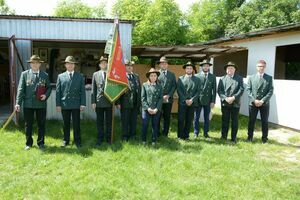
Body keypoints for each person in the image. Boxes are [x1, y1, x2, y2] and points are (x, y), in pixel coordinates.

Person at [15, 55, 51, 150]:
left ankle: (41, 143)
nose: (35, 64)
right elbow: (21, 89)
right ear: (30, 64)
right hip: (28, 104)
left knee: (41, 124)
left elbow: (49, 88)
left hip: (41, 104)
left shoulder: (45, 75)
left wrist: (46, 95)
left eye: (37, 63)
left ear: (40, 64)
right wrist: (18, 102)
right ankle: (28, 143)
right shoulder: (25, 74)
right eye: (33, 63)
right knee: (28, 124)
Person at [56, 56, 86, 148]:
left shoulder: (80, 76)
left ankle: (77, 141)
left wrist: (83, 103)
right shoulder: (60, 77)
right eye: (68, 63)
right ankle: (66, 140)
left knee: (76, 124)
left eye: (72, 64)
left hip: (76, 104)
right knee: (66, 124)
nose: (70, 65)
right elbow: (58, 92)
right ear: (65, 65)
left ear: (74, 65)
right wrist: (58, 104)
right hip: (65, 104)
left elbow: (82, 91)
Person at [247, 60, 274, 143]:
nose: (260, 68)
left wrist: (262, 101)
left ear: (265, 67)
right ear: (256, 67)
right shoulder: (251, 77)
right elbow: (248, 90)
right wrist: (254, 100)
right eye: (259, 66)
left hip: (264, 104)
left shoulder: (269, 78)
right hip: (253, 103)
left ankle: (264, 139)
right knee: (251, 121)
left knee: (264, 122)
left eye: (262, 66)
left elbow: (270, 91)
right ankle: (250, 137)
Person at [217, 62, 244, 143]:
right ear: (226, 70)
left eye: (232, 68)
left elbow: (241, 89)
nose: (230, 70)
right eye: (228, 68)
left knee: (234, 121)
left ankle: (233, 138)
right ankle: (223, 136)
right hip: (225, 103)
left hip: (235, 103)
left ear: (235, 70)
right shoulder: (222, 79)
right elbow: (219, 91)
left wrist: (233, 97)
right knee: (225, 120)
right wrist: (225, 98)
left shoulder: (239, 78)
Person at [117, 60, 141, 141]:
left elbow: (139, 89)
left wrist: (139, 103)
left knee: (133, 120)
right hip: (125, 103)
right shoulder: (121, 77)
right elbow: (118, 90)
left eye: (131, 66)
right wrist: (118, 102)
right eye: (127, 66)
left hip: (135, 103)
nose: (130, 67)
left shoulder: (136, 76)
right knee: (125, 120)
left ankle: (133, 135)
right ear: (125, 67)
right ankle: (125, 136)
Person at [91, 56, 113, 146]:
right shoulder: (95, 74)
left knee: (109, 122)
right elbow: (94, 89)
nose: (104, 64)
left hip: (109, 101)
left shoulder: (111, 74)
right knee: (99, 122)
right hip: (99, 102)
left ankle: (108, 138)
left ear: (107, 64)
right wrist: (93, 102)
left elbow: (114, 88)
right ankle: (100, 139)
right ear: (99, 65)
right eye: (102, 63)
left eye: (105, 62)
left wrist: (116, 101)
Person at [177, 62, 201, 140]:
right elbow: (179, 90)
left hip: (192, 103)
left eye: (190, 68)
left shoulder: (197, 79)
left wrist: (192, 100)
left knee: (189, 120)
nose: (189, 69)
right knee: (181, 119)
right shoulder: (181, 78)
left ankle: (186, 136)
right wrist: (185, 99)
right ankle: (180, 136)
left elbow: (198, 91)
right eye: (187, 68)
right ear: (185, 69)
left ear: (193, 69)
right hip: (182, 103)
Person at [194, 59, 216, 138]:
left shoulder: (212, 77)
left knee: (207, 117)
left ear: (209, 67)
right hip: (198, 100)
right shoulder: (197, 76)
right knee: (196, 117)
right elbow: (195, 89)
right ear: (202, 67)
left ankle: (206, 133)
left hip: (208, 100)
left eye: (207, 66)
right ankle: (196, 132)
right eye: (204, 66)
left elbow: (214, 90)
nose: (206, 67)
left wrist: (213, 101)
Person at [141, 68, 163, 146]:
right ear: (149, 77)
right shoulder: (144, 85)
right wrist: (148, 108)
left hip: (156, 110)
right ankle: (143, 140)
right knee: (145, 125)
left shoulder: (160, 86)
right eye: (151, 76)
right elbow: (143, 98)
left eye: (155, 76)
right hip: (146, 109)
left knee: (155, 125)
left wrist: (157, 108)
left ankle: (154, 141)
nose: (153, 77)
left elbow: (160, 98)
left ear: (157, 77)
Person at [157, 56, 177, 137]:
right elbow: (155, 85)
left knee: (167, 116)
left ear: (167, 65)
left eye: (165, 63)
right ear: (160, 65)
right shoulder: (156, 73)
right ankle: (157, 132)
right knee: (158, 116)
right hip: (159, 99)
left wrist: (168, 95)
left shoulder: (172, 74)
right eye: (162, 64)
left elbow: (174, 86)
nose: (164, 65)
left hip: (169, 99)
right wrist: (162, 96)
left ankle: (165, 133)